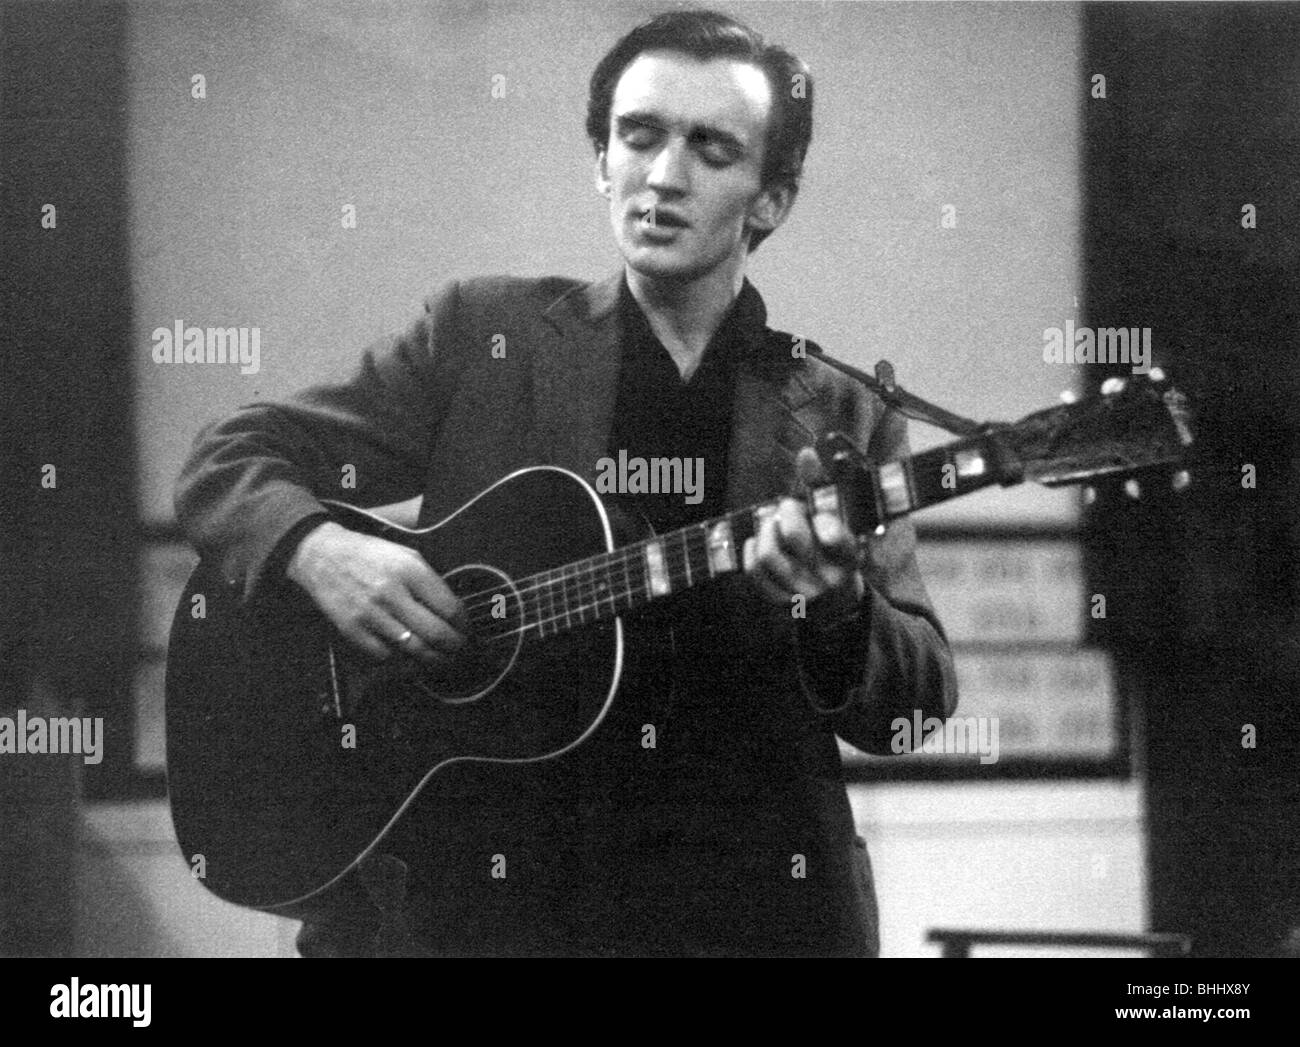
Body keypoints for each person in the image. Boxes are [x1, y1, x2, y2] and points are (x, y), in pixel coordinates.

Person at [175, 9, 958, 957]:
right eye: (639, 136)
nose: (663, 176)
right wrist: (318, 549)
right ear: (601, 161)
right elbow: (232, 455)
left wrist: (835, 608)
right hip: (483, 910)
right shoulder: (483, 336)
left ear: (771, 201)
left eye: (712, 150)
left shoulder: (843, 413)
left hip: (747, 910)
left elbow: (916, 705)